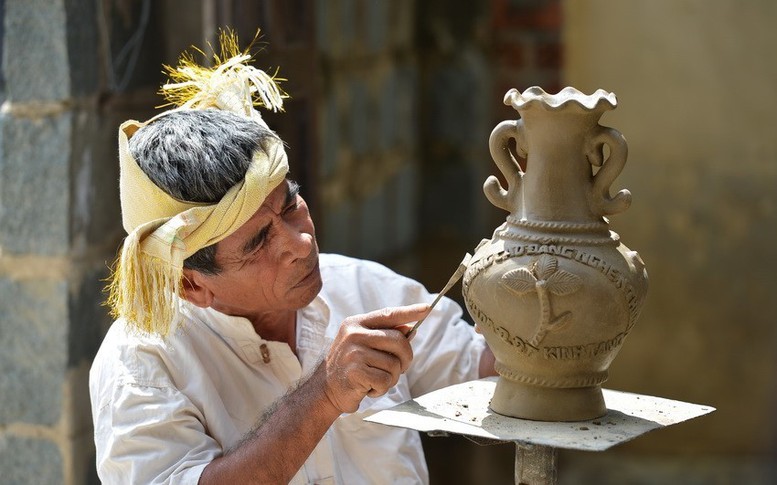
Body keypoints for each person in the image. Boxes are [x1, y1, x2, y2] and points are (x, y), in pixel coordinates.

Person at [89, 32, 495, 485]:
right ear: (193, 286)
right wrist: (324, 393)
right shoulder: (142, 364)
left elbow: (484, 372)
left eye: (290, 205)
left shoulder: (366, 290)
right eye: (259, 241)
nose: (301, 243)